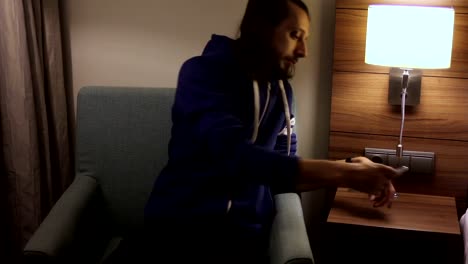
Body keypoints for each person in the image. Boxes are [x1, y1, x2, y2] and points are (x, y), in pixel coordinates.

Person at [141, 0, 406, 263]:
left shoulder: (282, 93)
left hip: (243, 240)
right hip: (179, 232)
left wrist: (348, 168)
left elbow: (282, 174)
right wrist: (346, 174)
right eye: (295, 35)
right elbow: (234, 155)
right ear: (261, 29)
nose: (303, 51)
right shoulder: (202, 73)